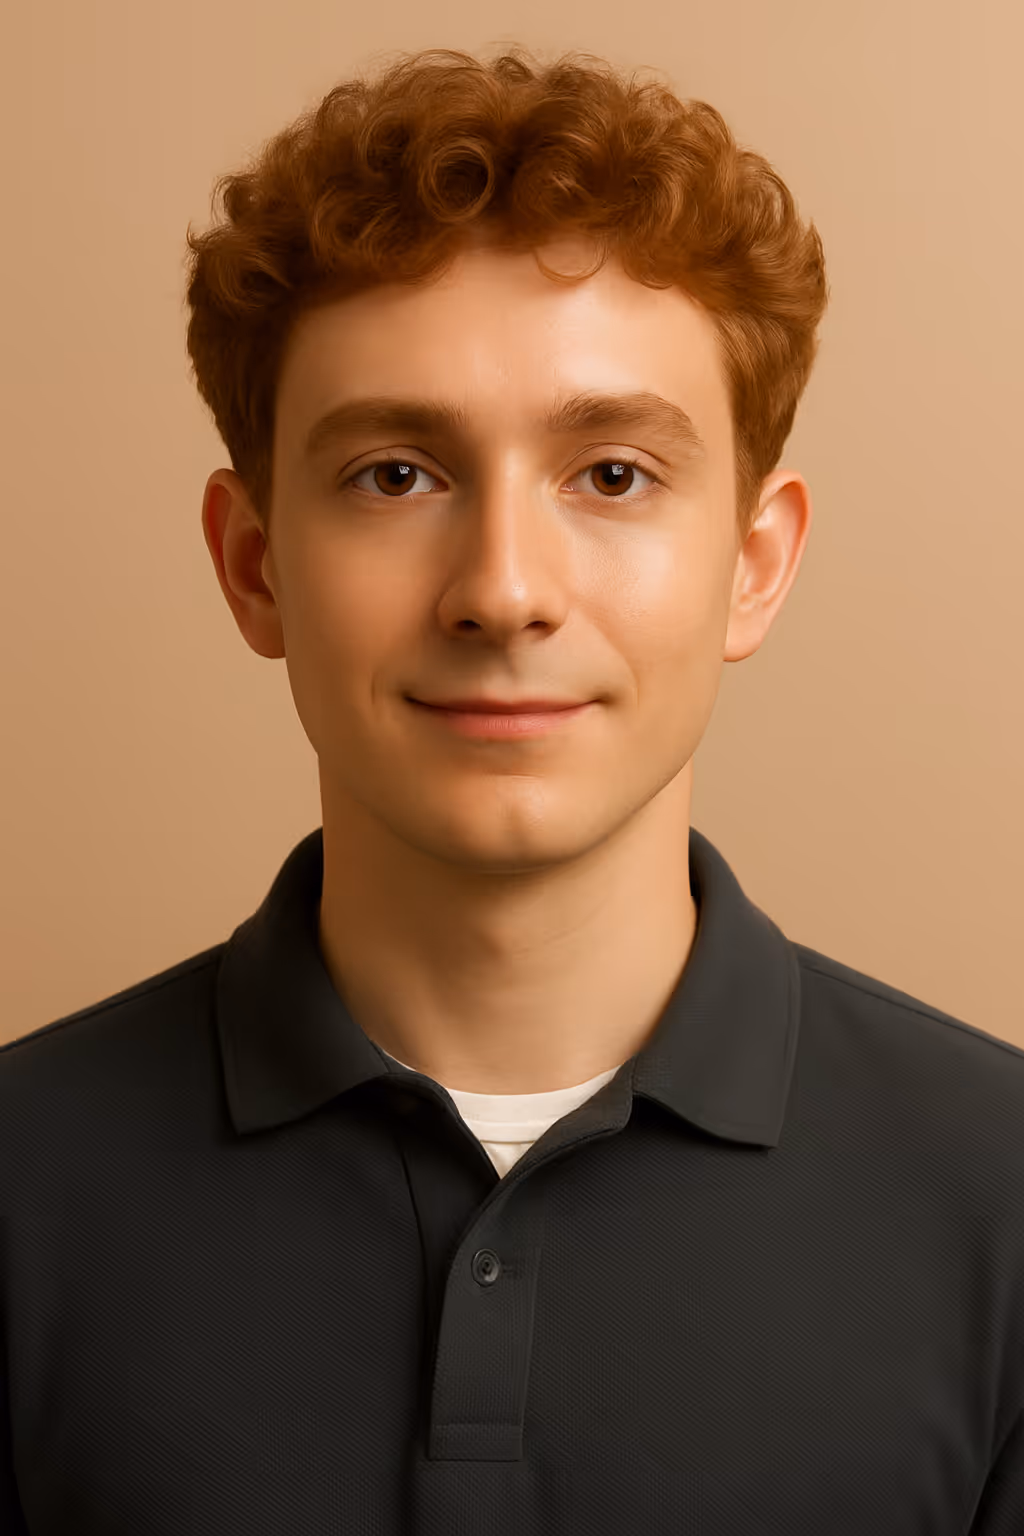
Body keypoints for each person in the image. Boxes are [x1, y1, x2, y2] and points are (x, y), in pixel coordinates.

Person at [2, 44, 1021, 1535]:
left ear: (756, 564)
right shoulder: (21, 1191)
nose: (501, 592)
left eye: (612, 474)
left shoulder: (1003, 1201)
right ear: (254, 562)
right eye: (395, 475)